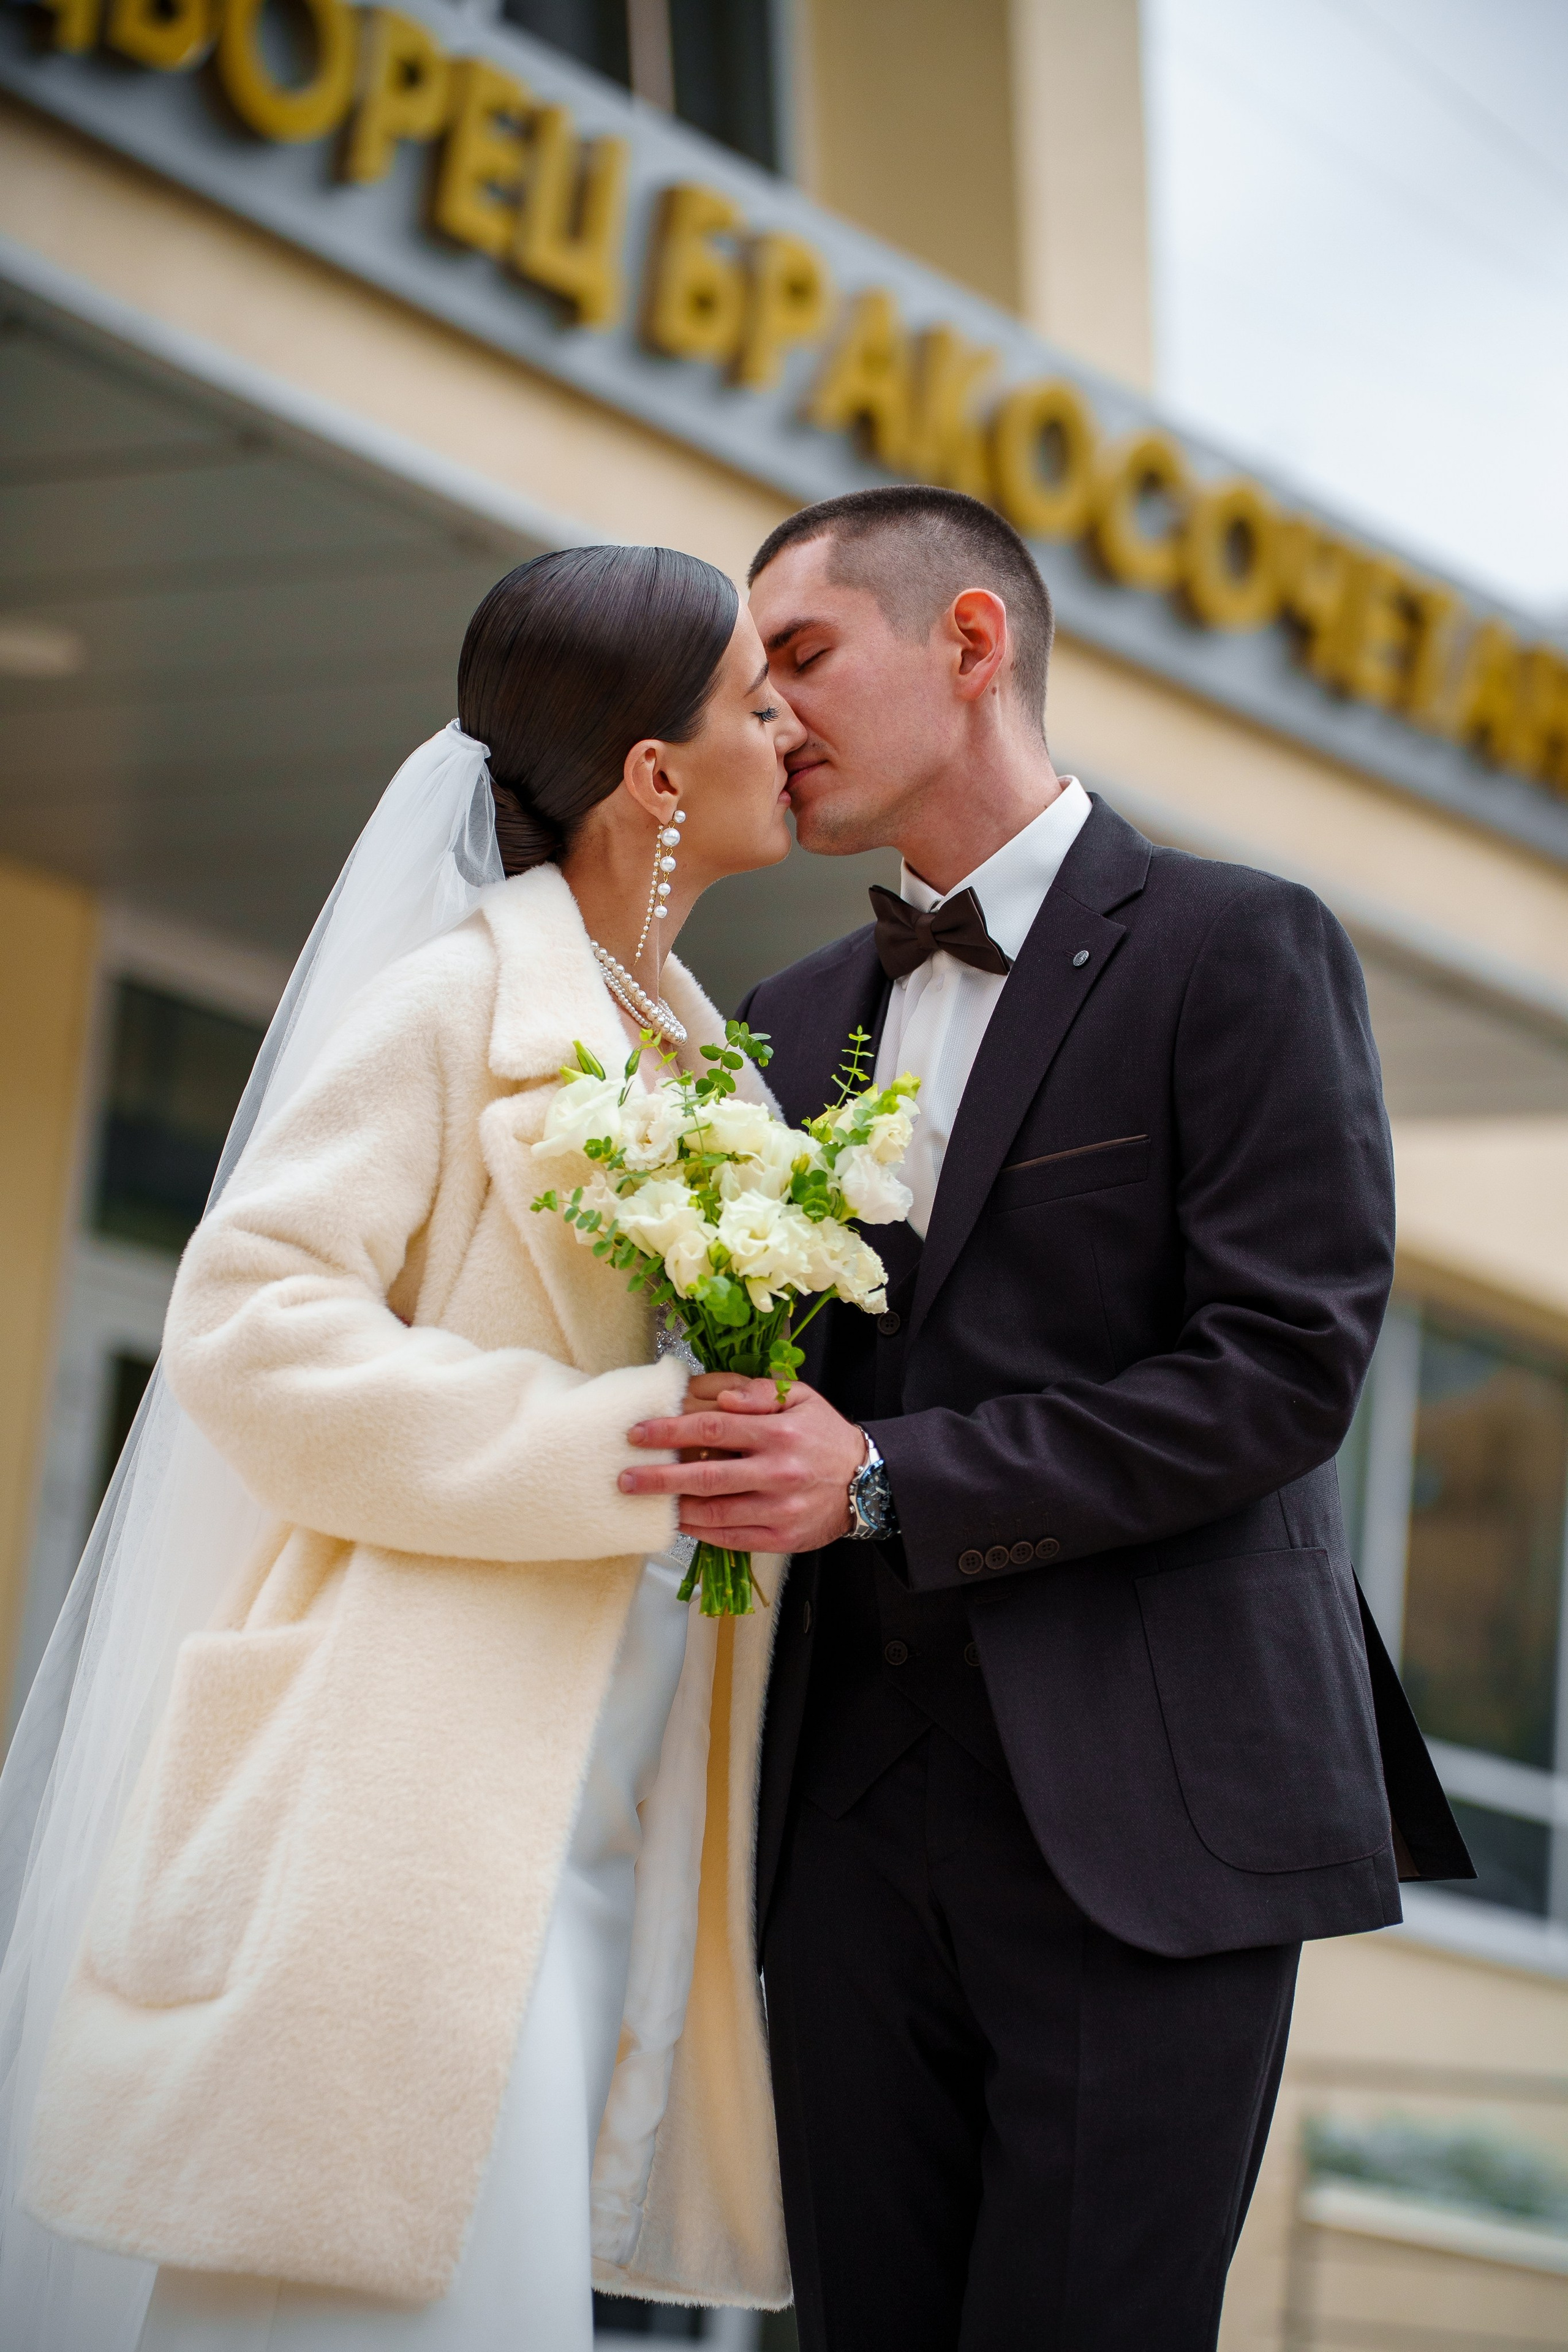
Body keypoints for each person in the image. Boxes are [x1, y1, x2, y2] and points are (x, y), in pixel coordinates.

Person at [619, 486, 1474, 2351]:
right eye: (754, 683)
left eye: (806, 657)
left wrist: (883, 1481)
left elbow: (1282, 1367)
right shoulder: (782, 1016)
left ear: (974, 643)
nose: (771, 716)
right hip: (837, 1820)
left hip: (1149, 1823)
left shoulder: (1239, 949)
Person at [0, 545, 804, 2351]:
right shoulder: (452, 1006)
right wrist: (616, 1446)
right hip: (411, 1792)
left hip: (626, 1787)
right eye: (756, 700)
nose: (791, 727)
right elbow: (248, 1326)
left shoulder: (718, 1077)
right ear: (654, 776)